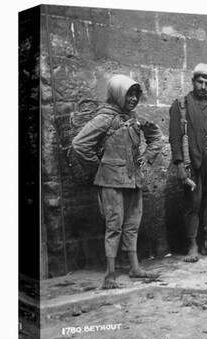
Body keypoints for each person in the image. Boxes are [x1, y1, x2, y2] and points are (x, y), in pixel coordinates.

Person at [72, 74, 163, 289]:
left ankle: (134, 268)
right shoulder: (105, 118)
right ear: (117, 94)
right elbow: (79, 144)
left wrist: (147, 157)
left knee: (132, 225)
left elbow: (156, 136)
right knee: (114, 227)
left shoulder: (134, 118)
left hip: (134, 181)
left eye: (135, 94)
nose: (133, 99)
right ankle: (110, 274)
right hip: (111, 183)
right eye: (128, 94)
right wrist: (100, 168)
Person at [168, 63, 207, 262]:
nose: (203, 86)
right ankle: (193, 245)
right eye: (200, 82)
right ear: (193, 82)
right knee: (193, 204)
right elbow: (175, 137)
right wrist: (179, 165)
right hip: (192, 160)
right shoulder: (181, 104)